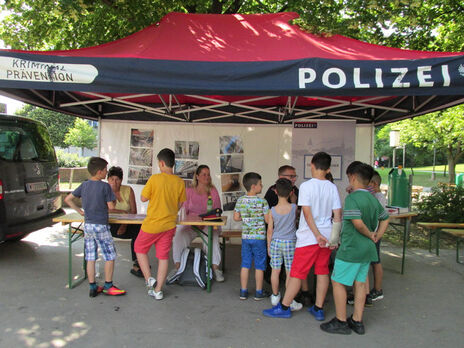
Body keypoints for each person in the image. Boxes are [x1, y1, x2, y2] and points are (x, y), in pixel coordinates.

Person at [263, 152, 342, 320]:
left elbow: (306, 214)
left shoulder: (307, 186)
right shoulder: (332, 187)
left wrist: (316, 235)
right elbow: (337, 214)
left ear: (311, 165)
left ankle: (284, 307)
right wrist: (334, 238)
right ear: (328, 169)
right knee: (322, 272)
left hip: (309, 237)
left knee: (297, 273)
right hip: (328, 235)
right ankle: (318, 308)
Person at [320, 163, 389, 335]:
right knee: (360, 284)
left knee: (338, 282)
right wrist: (376, 236)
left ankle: (341, 320)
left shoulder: (352, 199)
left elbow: (357, 224)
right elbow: (385, 218)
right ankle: (357, 321)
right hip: (367, 250)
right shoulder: (373, 198)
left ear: (352, 177)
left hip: (351, 248)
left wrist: (368, 234)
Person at [64, 157, 126, 297]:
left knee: (91, 257)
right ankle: (108, 285)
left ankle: (92, 286)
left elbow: (68, 199)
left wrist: (79, 211)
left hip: (88, 226)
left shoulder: (84, 185)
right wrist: (113, 199)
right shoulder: (105, 187)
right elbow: (111, 206)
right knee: (110, 255)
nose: (106, 172)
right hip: (101, 226)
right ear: (99, 172)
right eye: (105, 170)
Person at [135, 148, 186, 300]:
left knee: (139, 248)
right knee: (163, 257)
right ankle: (158, 290)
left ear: (162, 163)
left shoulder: (154, 179)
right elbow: (181, 203)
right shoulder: (179, 182)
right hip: (169, 225)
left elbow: (143, 198)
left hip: (152, 224)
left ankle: (148, 279)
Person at [171, 165, 224, 282]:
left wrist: (205, 222)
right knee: (179, 234)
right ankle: (178, 267)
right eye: (204, 174)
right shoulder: (188, 191)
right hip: (191, 224)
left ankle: (215, 269)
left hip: (207, 224)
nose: (207, 177)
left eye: (208, 174)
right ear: (197, 176)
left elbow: (217, 211)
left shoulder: (213, 192)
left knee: (213, 237)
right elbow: (184, 211)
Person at [267, 178, 302, 311]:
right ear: (291, 192)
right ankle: (290, 299)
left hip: (276, 242)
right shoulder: (293, 208)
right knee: (289, 273)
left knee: (275, 271)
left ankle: (275, 296)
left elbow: (270, 231)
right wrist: (293, 196)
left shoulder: (272, 210)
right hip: (290, 243)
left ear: (275, 191)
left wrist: (268, 246)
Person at [234, 172, 270, 300]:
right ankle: (258, 292)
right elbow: (267, 220)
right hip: (259, 238)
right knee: (259, 266)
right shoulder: (263, 202)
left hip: (246, 238)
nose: (262, 186)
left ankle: (243, 291)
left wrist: (246, 217)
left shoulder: (240, 200)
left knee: (245, 264)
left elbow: (236, 217)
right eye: (260, 184)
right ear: (254, 186)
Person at [107, 166, 142, 277]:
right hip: (110, 225)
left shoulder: (128, 190)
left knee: (140, 229)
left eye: (117, 179)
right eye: (112, 179)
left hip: (127, 223)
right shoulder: (104, 190)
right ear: (108, 180)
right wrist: (121, 212)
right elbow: (104, 210)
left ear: (121, 180)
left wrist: (124, 224)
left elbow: (133, 211)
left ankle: (138, 262)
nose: (114, 182)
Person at [368, 170, 387, 301]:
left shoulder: (379, 198)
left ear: (374, 184)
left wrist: (377, 235)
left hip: (375, 235)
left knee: (376, 262)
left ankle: (378, 289)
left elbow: (381, 218)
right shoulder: (375, 196)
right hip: (373, 234)